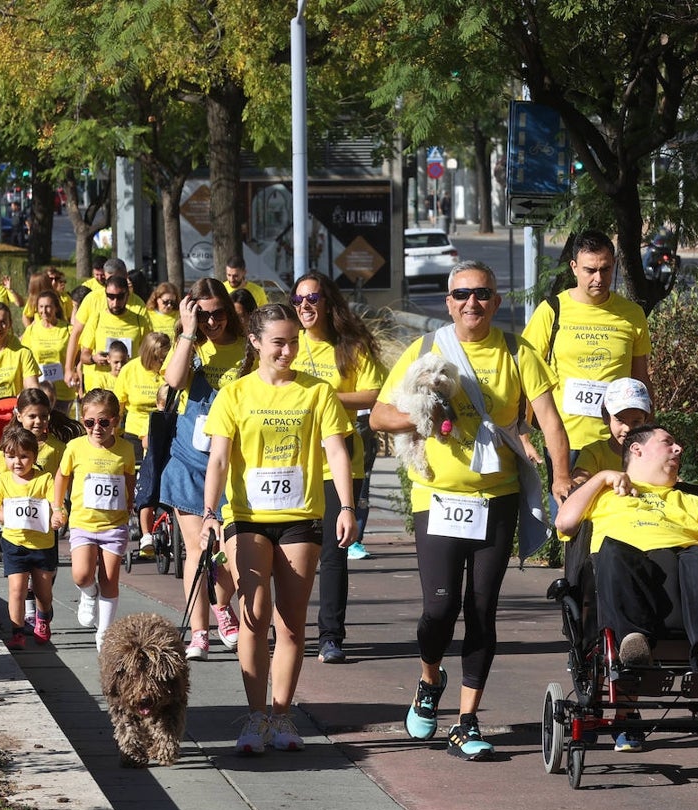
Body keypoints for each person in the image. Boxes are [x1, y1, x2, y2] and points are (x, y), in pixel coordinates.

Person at [371, 260, 572, 761]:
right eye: (461, 294)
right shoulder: (426, 350)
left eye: (481, 293)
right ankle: (428, 679)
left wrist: (562, 476)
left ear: (496, 301)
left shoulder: (515, 351)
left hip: (494, 498)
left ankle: (466, 719)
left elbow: (549, 420)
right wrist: (420, 413)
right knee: (439, 608)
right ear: (448, 301)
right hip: (436, 497)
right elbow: (378, 414)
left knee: (481, 609)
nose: (471, 303)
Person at [200, 304, 356, 754]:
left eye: (293, 341)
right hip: (247, 518)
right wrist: (210, 512)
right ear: (255, 341)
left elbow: (337, 453)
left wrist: (346, 506)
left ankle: (283, 715)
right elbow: (218, 458)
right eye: (278, 342)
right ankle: (254, 717)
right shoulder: (235, 393)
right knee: (254, 613)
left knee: (290, 623)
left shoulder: (317, 392)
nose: (288, 350)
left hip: (300, 518)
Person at [555, 424, 698, 749]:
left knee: (697, 557)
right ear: (637, 450)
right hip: (629, 583)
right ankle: (632, 643)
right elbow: (565, 522)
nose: (678, 450)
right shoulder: (603, 495)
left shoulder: (687, 499)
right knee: (613, 550)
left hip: (683, 590)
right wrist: (601, 477)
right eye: (668, 443)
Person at [289, 271, 385, 664]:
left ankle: (331, 636)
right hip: (292, 456)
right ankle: (288, 630)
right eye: (298, 301)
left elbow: (376, 393)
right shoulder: (288, 343)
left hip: (340, 457)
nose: (305, 307)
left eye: (312, 298)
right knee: (291, 552)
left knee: (332, 552)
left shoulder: (350, 346)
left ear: (328, 301)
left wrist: (327, 395)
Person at [522, 230, 652, 507]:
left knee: (618, 515)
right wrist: (522, 432)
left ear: (614, 265)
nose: (598, 278)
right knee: (568, 519)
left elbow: (641, 379)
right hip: (565, 439)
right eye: (590, 270)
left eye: (605, 269)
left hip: (617, 438)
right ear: (574, 268)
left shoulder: (632, 314)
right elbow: (524, 377)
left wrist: (648, 433)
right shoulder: (552, 310)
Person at [160, 278, 244, 661]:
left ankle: (222, 606)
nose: (213, 322)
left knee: (229, 552)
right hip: (189, 461)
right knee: (195, 549)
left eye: (218, 314)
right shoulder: (191, 348)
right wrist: (188, 334)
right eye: (203, 315)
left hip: (232, 465)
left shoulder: (247, 351)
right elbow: (173, 381)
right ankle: (199, 633)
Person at [51, 388, 136, 652]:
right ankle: (88, 593)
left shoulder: (125, 449)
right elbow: (61, 477)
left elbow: (129, 479)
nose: (96, 428)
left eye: (103, 422)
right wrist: (57, 507)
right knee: (81, 574)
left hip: (114, 524)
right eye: (89, 423)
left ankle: (105, 633)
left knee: (110, 578)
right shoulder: (75, 447)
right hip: (83, 523)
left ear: (115, 422)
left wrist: (130, 503)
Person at [0, 426, 57, 650]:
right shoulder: (3, 481)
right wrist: (6, 516)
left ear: (34, 456)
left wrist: (57, 516)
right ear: (4, 457)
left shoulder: (45, 479)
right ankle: (17, 632)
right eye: (11, 456)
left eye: (24, 456)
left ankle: (43, 617)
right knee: (17, 589)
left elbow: (55, 505)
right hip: (14, 542)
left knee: (42, 592)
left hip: (42, 544)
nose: (17, 461)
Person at [115, 332, 168, 552]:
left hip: (162, 428)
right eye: (157, 358)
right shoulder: (130, 370)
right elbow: (119, 403)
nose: (161, 362)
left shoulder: (168, 370)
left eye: (164, 358)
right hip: (136, 430)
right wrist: (113, 433)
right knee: (135, 474)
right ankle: (136, 512)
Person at [75, 274, 151, 390]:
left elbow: (148, 356)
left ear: (128, 295)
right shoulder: (97, 318)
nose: (115, 303)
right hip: (101, 386)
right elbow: (84, 356)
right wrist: (94, 359)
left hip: (129, 385)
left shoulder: (139, 321)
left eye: (120, 297)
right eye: (110, 296)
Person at [571, 377, 653, 481]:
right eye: (620, 420)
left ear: (645, 420)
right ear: (606, 417)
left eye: (636, 422)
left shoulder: (652, 453)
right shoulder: (594, 453)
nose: (627, 428)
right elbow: (579, 483)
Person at [21, 290, 74, 412]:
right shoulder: (31, 330)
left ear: (56, 307)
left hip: (63, 391)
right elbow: (24, 358)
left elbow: (77, 358)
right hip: (38, 390)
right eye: (41, 307)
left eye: (48, 307)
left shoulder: (67, 329)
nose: (44, 311)